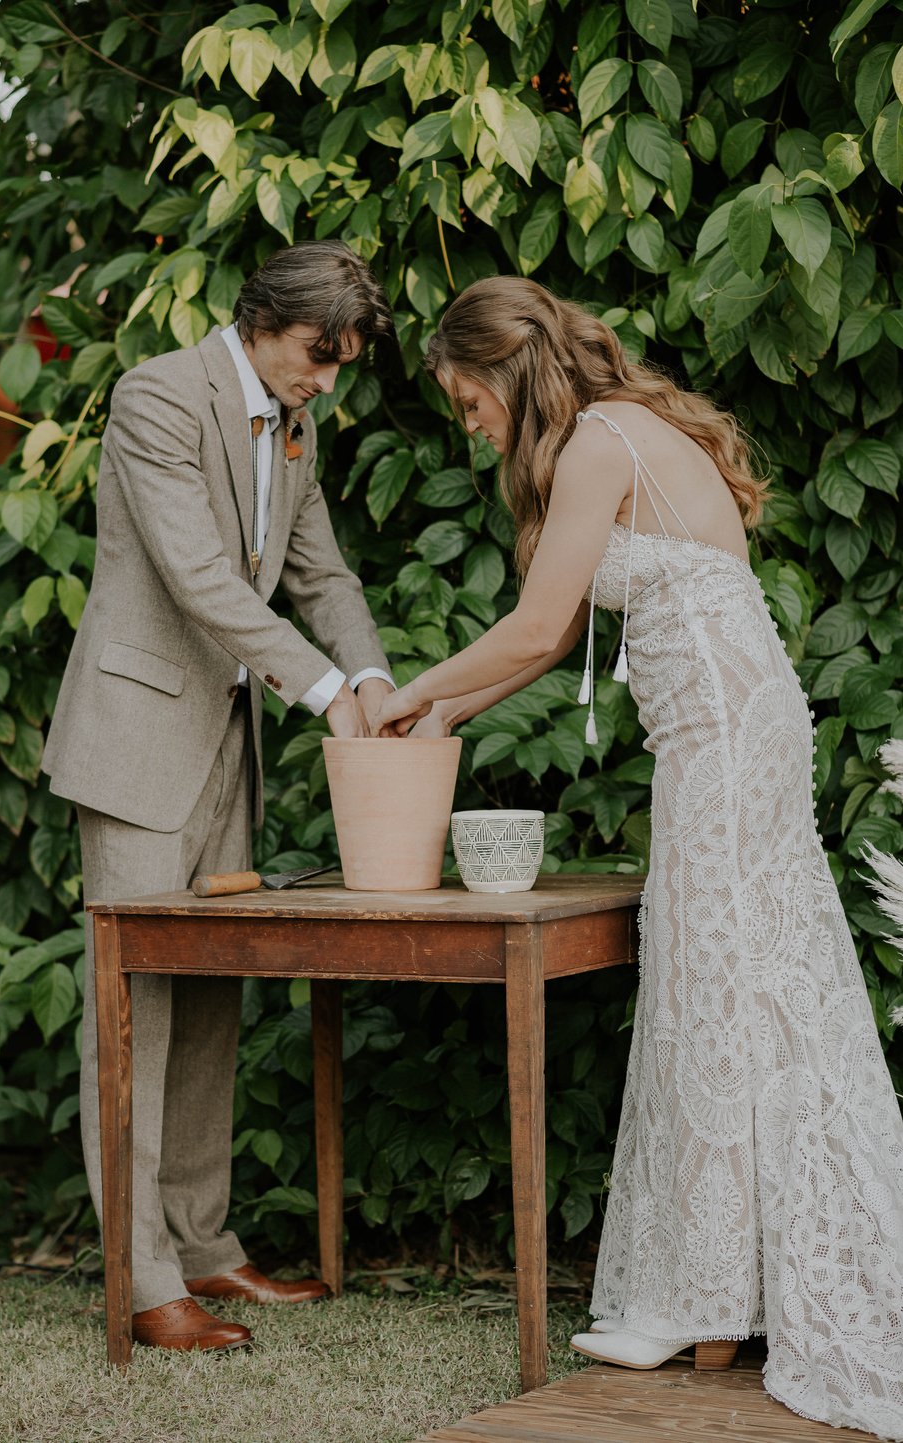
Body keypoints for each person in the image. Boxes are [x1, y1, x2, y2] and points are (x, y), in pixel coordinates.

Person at [375, 275, 903, 1439]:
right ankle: (715, 1279)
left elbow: (526, 626)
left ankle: (705, 1291)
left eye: (467, 400)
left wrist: (410, 691)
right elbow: (553, 630)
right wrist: (452, 716)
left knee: (712, 987)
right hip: (733, 725)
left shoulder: (600, 444)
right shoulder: (623, 433)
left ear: (505, 369)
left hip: (718, 737)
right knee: (725, 986)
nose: (468, 425)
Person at [43, 241, 397, 1351]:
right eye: (315, 356)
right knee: (134, 1010)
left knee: (207, 1008)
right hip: (137, 741)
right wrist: (327, 690)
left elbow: (322, 572)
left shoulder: (291, 423)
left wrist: (375, 679)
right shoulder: (158, 395)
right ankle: (142, 1281)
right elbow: (197, 577)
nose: (327, 381)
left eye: (341, 365)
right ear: (260, 322)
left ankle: (203, 1246)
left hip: (225, 750)